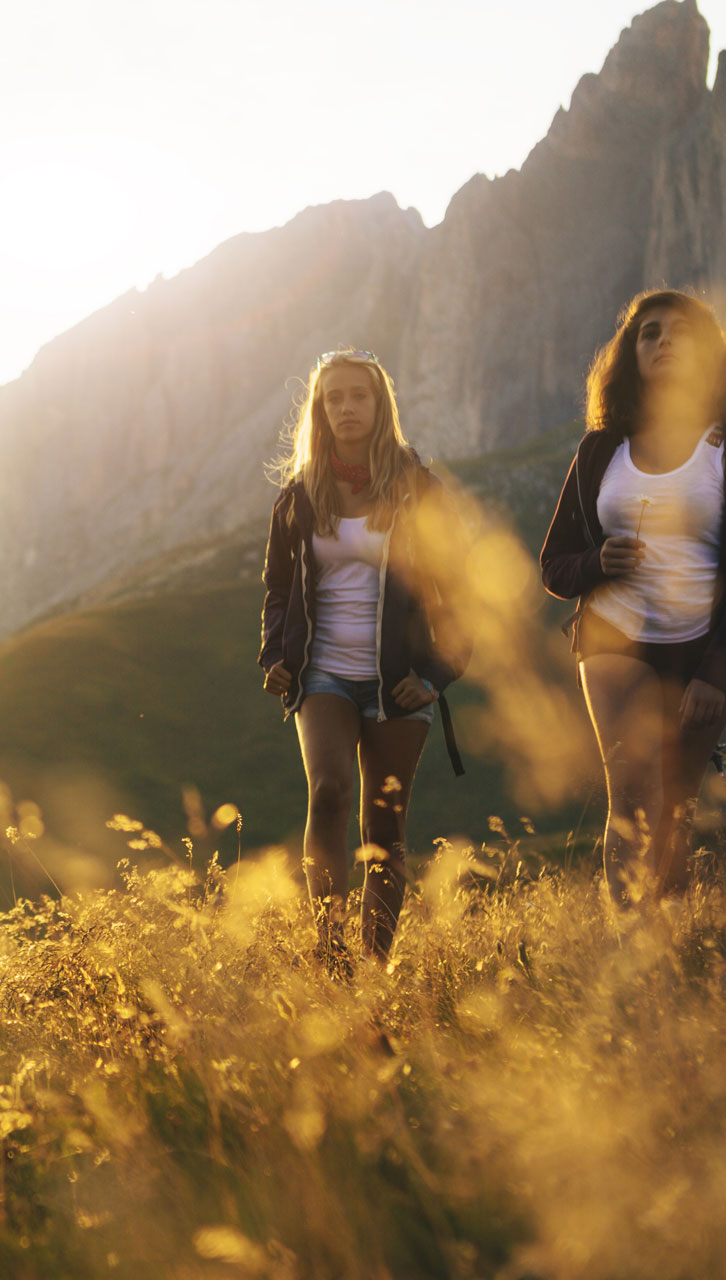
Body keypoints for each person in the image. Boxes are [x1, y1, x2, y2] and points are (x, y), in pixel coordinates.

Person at [539, 288, 726, 909]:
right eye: (649, 332)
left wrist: (717, 672)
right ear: (630, 355)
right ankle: (629, 956)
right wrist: (598, 562)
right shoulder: (600, 451)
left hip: (703, 646)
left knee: (676, 805)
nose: (664, 340)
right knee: (633, 796)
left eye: (680, 331)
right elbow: (554, 565)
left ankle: (665, 958)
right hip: (613, 635)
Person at [259, 349, 470, 971]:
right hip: (321, 672)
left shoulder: (418, 489)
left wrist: (435, 674)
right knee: (327, 792)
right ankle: (328, 959)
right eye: (334, 398)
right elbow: (277, 589)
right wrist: (275, 653)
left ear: (381, 407)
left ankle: (372, 973)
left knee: (384, 830)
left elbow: (461, 589)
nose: (346, 407)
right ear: (320, 412)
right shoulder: (299, 496)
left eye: (359, 396)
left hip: (399, 681)